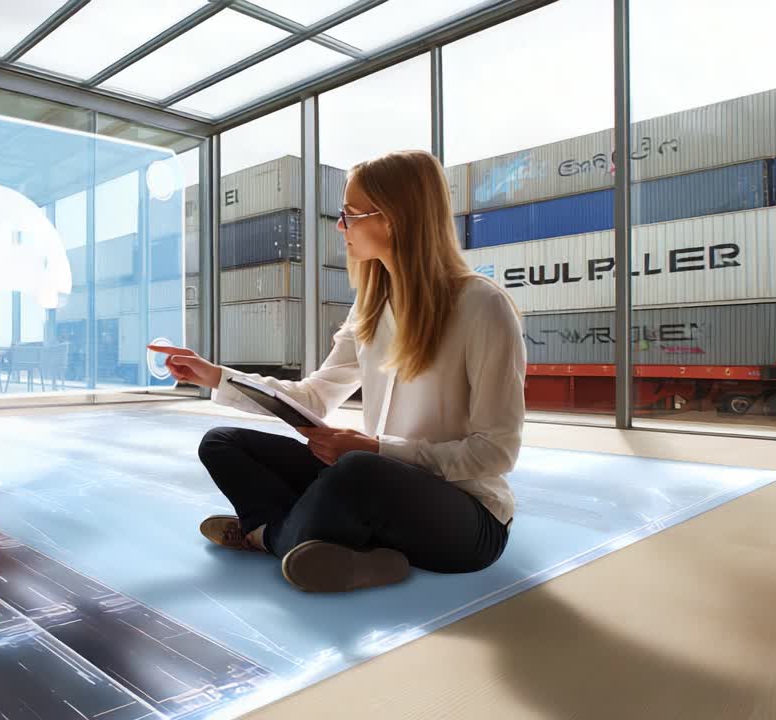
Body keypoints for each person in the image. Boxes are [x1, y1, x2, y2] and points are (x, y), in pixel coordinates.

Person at [149, 150, 525, 594]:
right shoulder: (370, 307)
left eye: (349, 214)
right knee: (223, 443)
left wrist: (379, 449)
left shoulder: (483, 306)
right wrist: (215, 376)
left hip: (467, 519)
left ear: (392, 217)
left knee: (358, 471)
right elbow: (313, 398)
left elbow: (496, 453)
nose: (340, 226)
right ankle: (328, 545)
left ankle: (269, 534)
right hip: (378, 485)